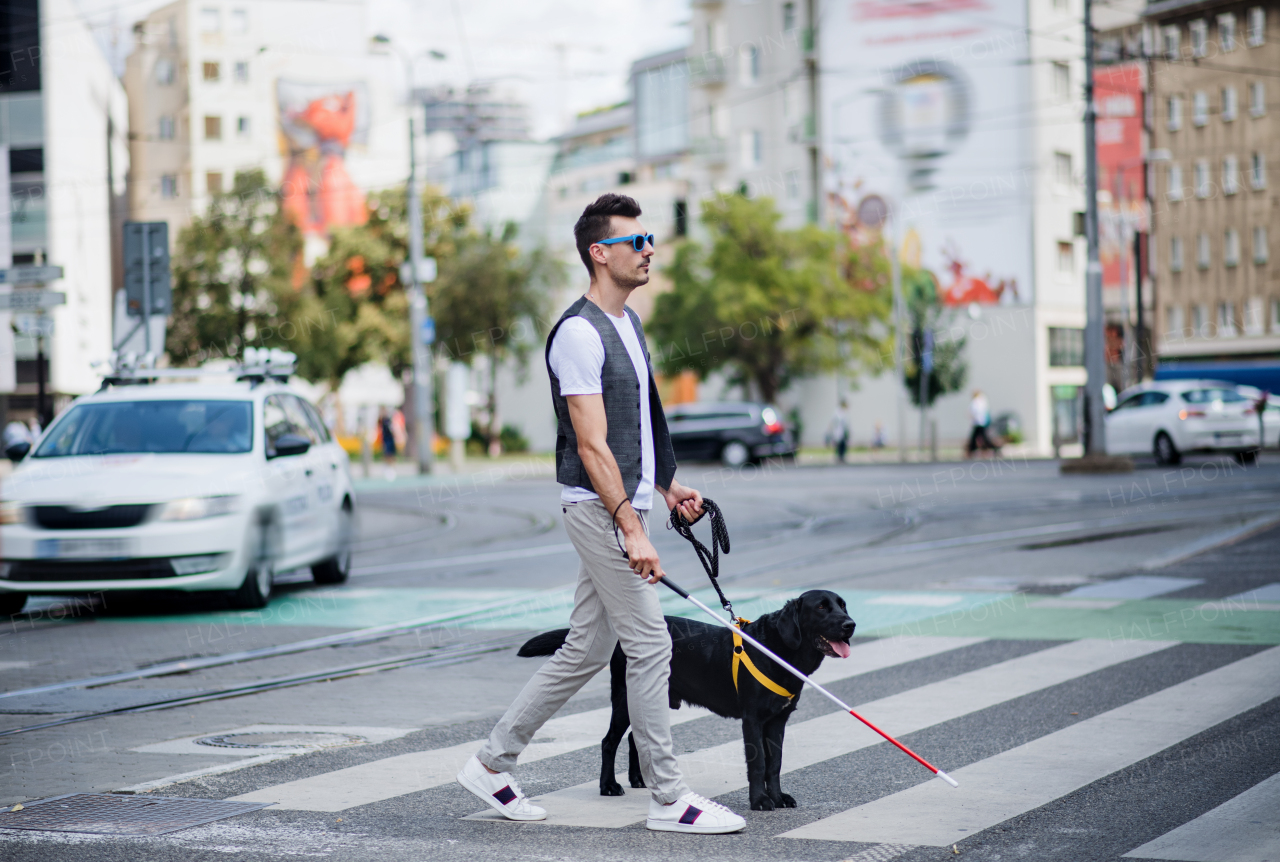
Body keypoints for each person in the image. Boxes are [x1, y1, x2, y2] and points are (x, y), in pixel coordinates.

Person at [456, 193, 746, 835]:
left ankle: (491, 762)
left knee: (587, 648)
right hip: (598, 511)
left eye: (649, 242)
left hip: (624, 506)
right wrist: (633, 527)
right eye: (634, 242)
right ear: (599, 252)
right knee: (650, 643)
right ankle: (669, 798)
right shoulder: (579, 333)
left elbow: (637, 424)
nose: (648, 251)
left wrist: (667, 488)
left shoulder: (628, 325)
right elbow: (590, 444)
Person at [967, 389, 995, 457]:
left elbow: (973, 412)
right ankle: (973, 449)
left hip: (978, 422)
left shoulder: (976, 402)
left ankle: (972, 449)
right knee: (981, 436)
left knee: (980, 437)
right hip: (982, 422)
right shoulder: (983, 401)